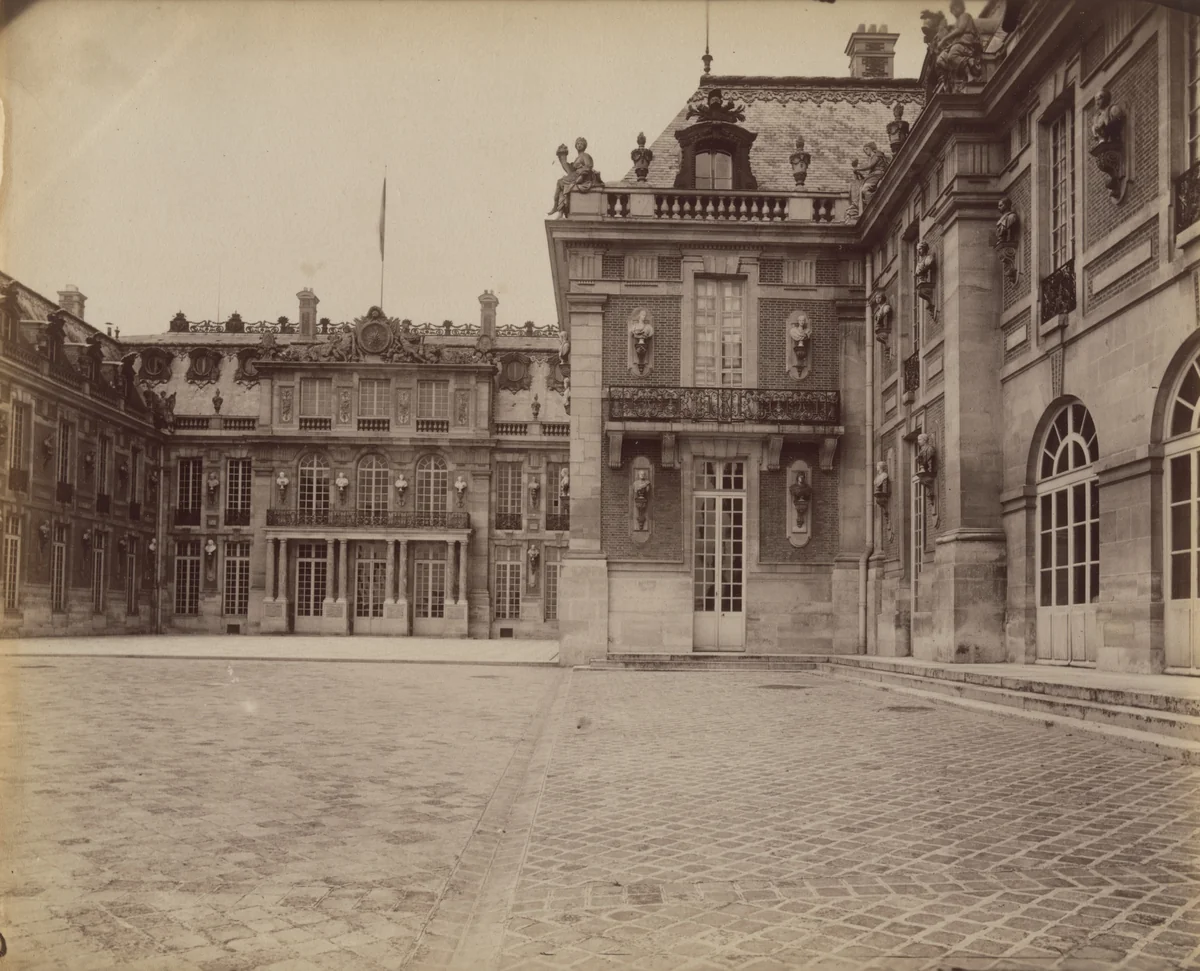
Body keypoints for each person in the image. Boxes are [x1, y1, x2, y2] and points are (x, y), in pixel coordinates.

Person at [549, 137, 604, 216]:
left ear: (584, 146)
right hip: (575, 175)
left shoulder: (585, 155)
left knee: (560, 183)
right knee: (561, 185)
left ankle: (556, 207)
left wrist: (580, 177)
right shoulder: (577, 158)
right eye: (578, 143)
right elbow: (570, 170)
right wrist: (562, 159)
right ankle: (559, 210)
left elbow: (588, 166)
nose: (579, 145)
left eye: (581, 144)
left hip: (580, 176)